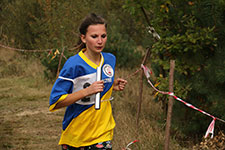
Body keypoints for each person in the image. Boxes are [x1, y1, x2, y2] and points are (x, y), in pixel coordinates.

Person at [49, 13, 127, 150]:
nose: (100, 41)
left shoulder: (110, 60)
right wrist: (86, 91)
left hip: (102, 133)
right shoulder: (73, 65)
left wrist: (111, 84)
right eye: (94, 36)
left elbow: (101, 83)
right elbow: (55, 102)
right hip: (76, 134)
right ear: (83, 38)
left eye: (103, 36)